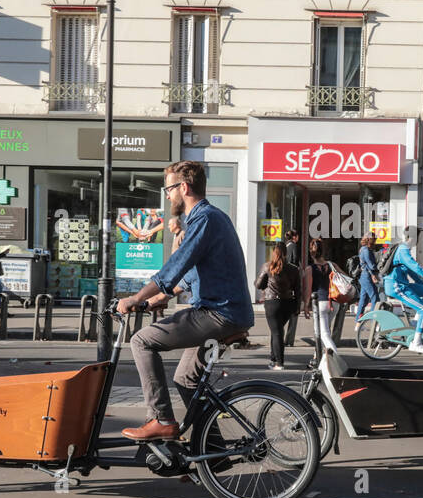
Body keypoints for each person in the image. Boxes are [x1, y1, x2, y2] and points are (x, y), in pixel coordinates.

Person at [116, 161, 254, 442]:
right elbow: (191, 275)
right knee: (186, 379)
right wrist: (159, 298)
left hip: (218, 313)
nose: (167, 196)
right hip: (227, 311)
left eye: (168, 189)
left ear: (184, 187)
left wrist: (135, 297)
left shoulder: (204, 220)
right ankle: (212, 453)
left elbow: (176, 265)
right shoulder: (211, 218)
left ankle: (161, 419)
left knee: (141, 341)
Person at [384, 225, 423, 355]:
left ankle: (415, 323)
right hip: (396, 286)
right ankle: (416, 343)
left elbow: (412, 272)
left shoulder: (404, 249)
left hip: (403, 285)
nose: (419, 239)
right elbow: (416, 268)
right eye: (418, 236)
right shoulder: (403, 250)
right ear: (413, 237)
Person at [255, 242, 300, 370]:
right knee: (277, 331)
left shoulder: (267, 266)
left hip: (272, 303)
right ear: (286, 253)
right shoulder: (294, 269)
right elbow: (298, 290)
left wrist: (261, 282)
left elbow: (258, 285)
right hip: (288, 303)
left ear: (274, 253)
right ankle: (273, 359)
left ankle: (279, 363)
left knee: (277, 332)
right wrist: (297, 307)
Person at [301, 238, 339, 353]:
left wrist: (306, 306)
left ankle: (336, 357)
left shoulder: (310, 269)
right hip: (334, 302)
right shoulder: (332, 265)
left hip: (320, 303)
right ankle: (317, 357)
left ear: (311, 253)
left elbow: (308, 290)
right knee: (325, 331)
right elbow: (344, 278)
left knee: (324, 334)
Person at [355, 234, 380, 317]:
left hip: (364, 276)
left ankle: (358, 322)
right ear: (369, 239)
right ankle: (374, 320)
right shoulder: (366, 250)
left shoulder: (364, 249)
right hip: (367, 276)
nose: (375, 241)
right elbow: (371, 265)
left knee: (364, 299)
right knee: (375, 298)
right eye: (374, 239)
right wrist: (377, 271)